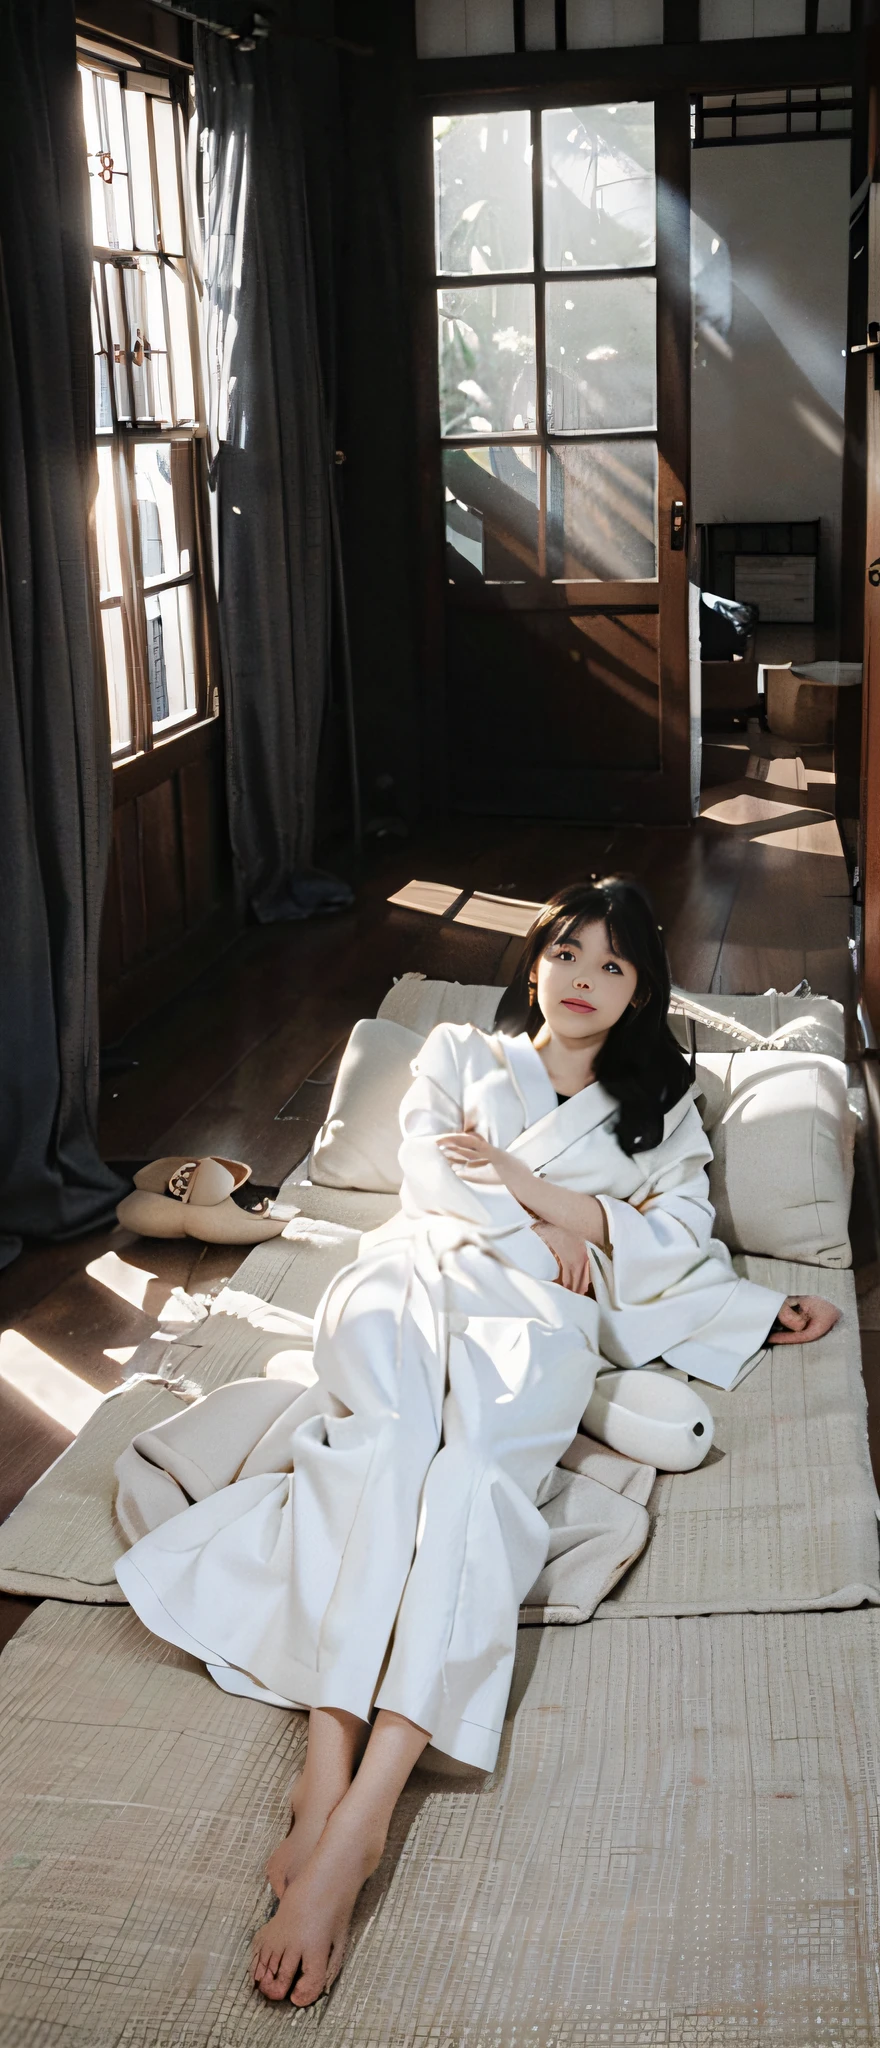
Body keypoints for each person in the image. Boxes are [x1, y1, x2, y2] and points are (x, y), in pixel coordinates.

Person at [114, 878, 839, 2010]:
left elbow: (674, 1235)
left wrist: (523, 1181)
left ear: (641, 987)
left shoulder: (660, 1105)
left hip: (544, 1314)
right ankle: (322, 1764)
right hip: (408, 1273)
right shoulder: (459, 1051)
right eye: (564, 952)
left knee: (476, 1480)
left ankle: (363, 1817)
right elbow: (425, 1166)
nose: (580, 978)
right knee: (389, 1444)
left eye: (609, 964)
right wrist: (533, 1211)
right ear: (535, 961)